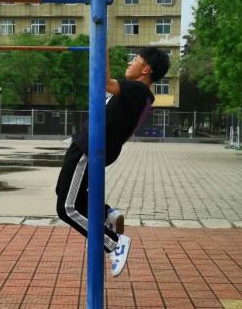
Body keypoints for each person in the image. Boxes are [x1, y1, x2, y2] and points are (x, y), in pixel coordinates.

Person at [55, 47, 170, 277]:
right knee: (65, 193)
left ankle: (115, 243)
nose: (130, 63)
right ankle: (107, 213)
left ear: (146, 69)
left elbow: (104, 82)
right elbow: (128, 131)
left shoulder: (139, 90)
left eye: (135, 59)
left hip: (88, 150)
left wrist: (102, 46)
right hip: (86, 146)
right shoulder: (136, 93)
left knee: (67, 208)